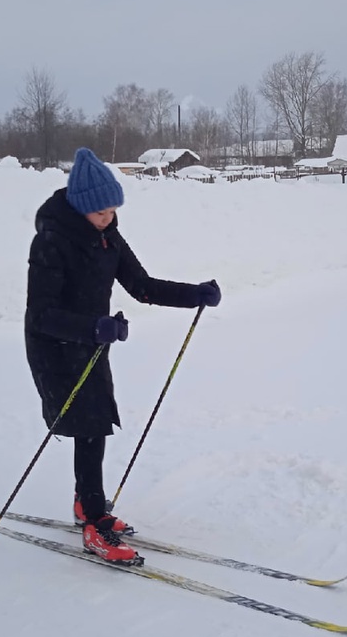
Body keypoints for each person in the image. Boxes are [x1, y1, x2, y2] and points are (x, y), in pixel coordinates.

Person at [24, 147, 221, 564]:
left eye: (113, 210)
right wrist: (93, 327)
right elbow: (41, 315)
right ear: (81, 208)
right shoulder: (52, 242)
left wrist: (194, 295)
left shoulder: (108, 237)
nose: (109, 218)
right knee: (87, 424)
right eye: (102, 212)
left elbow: (141, 285)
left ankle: (86, 504)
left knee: (97, 424)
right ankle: (94, 521)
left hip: (94, 341)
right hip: (56, 346)